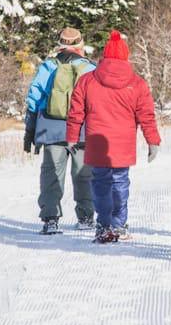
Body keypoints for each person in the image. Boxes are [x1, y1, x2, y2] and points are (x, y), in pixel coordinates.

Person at [66, 30, 161, 242]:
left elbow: (76, 112)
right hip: (122, 144)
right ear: (125, 56)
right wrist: (152, 140)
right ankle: (118, 224)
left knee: (99, 182)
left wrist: (72, 136)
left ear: (104, 56)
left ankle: (103, 224)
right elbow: (146, 115)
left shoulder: (87, 80)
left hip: (97, 142)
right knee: (120, 182)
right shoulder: (137, 83)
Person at [24, 27, 96, 234]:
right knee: (84, 173)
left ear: (60, 45)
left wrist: (30, 130)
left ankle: (51, 219)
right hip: (82, 129)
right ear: (80, 45)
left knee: (52, 173)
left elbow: (34, 98)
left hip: (51, 128)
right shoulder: (89, 68)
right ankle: (86, 217)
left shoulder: (48, 66)